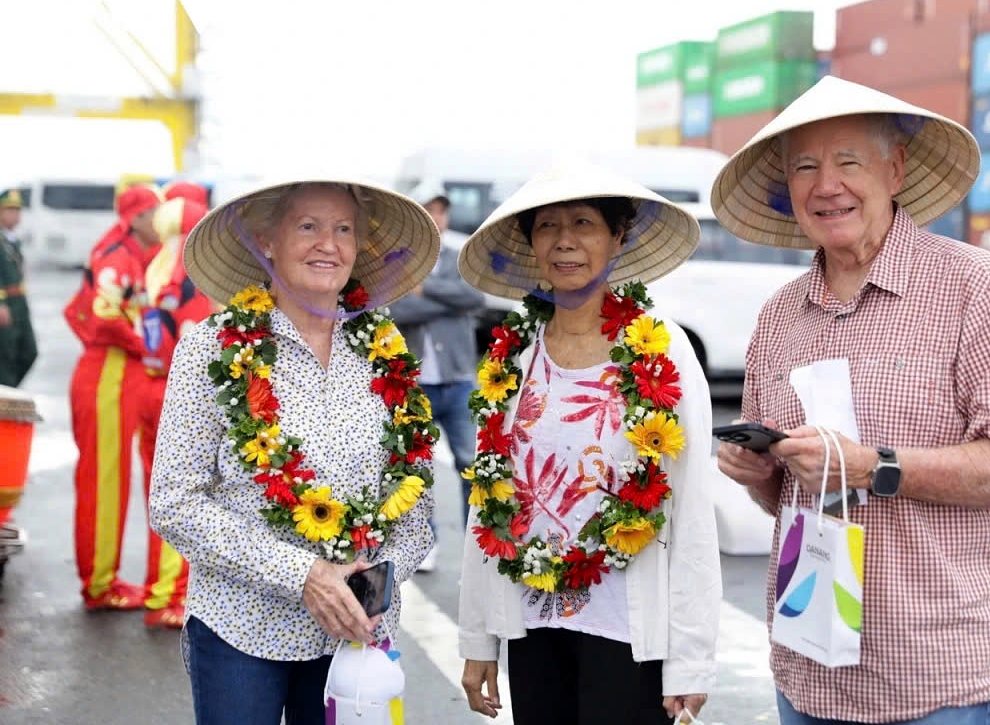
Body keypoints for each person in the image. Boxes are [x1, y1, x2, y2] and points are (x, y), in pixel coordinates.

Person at [710, 76, 990, 725]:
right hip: (807, 667)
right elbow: (785, 500)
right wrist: (763, 476)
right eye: (805, 166)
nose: (826, 184)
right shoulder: (779, 317)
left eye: (848, 161)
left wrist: (871, 467)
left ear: (895, 170)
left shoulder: (972, 284)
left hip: (931, 673)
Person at [148, 179, 441, 724]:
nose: (326, 243)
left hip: (355, 634)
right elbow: (173, 501)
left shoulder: (387, 353)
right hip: (240, 629)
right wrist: (302, 573)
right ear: (267, 242)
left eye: (343, 229)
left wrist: (375, 582)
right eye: (307, 226)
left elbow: (417, 501)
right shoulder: (211, 347)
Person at [456, 161, 720, 725]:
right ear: (531, 242)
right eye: (548, 226)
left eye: (584, 223)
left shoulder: (660, 348)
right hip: (534, 617)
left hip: (626, 625)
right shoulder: (514, 354)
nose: (566, 241)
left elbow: (692, 505)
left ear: (616, 236)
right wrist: (478, 636)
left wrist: (690, 662)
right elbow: (489, 501)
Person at [63, 184, 161, 610]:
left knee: (113, 480)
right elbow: (104, 317)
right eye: (154, 213)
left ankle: (104, 579)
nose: (161, 221)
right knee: (105, 483)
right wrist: (151, 346)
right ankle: (100, 584)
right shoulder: (117, 256)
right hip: (109, 373)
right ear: (136, 217)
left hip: (123, 372)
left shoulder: (134, 253)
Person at [385, 192, 485, 573]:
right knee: (417, 471)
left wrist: (426, 289)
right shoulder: (397, 264)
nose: (436, 217)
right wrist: (447, 302)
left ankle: (475, 549)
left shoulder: (459, 260)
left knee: (470, 465)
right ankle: (426, 544)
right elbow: (396, 308)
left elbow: (474, 297)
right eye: (429, 210)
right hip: (417, 386)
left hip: (458, 380)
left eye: (441, 211)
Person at [136, 196, 213, 628]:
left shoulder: (156, 262)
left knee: (159, 494)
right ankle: (168, 594)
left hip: (150, 384)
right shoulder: (188, 272)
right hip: (174, 392)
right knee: (182, 498)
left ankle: (159, 589)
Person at [0, 188, 37, 387]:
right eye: (9, 210)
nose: (15, 214)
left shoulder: (12, 241)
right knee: (6, 355)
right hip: (6, 304)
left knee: (29, 351)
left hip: (19, 303)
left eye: (17, 210)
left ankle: (9, 392)